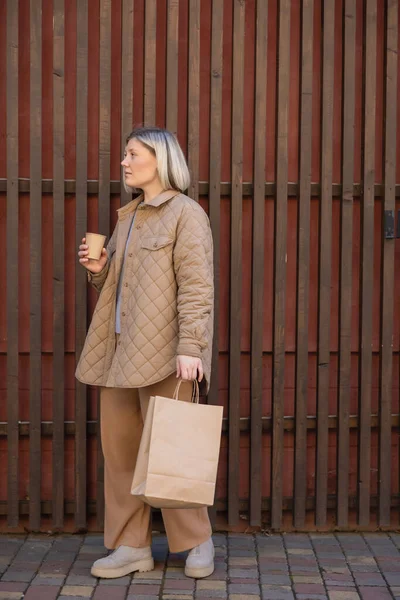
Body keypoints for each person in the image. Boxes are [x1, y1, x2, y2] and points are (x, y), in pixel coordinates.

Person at [76, 126, 215, 580]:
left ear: (160, 159)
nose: (124, 161)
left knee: (172, 450)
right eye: (124, 154)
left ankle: (196, 542)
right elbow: (121, 286)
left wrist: (191, 347)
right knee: (120, 457)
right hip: (117, 355)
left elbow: (197, 287)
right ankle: (131, 547)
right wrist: (99, 271)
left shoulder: (186, 214)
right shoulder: (129, 216)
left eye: (132, 154)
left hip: (166, 355)